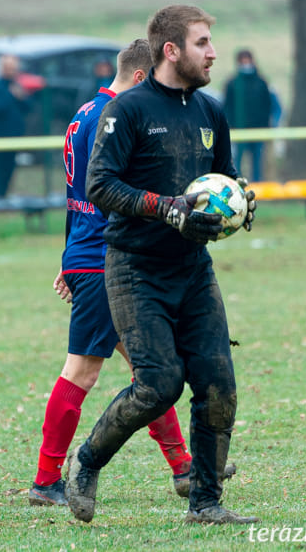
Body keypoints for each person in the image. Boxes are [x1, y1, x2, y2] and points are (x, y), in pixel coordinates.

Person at [65, 5, 258, 525]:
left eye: (211, 41)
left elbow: (225, 176)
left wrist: (240, 197)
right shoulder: (126, 110)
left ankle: (206, 503)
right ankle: (86, 463)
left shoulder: (211, 112)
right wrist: (164, 206)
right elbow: (99, 186)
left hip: (193, 269)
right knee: (159, 384)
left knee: (218, 385)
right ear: (170, 51)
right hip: (134, 267)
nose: (213, 51)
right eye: (202, 43)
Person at [29, 39, 203, 507]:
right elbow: (113, 195)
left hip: (90, 255)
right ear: (144, 78)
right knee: (82, 371)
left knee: (150, 370)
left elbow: (76, 195)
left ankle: (184, 467)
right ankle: (47, 481)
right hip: (107, 259)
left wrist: (68, 258)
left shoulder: (83, 112)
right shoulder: (118, 120)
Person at [222, 49, 272, 182]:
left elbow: (267, 105)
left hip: (258, 130)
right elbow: (227, 107)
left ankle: (258, 185)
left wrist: (266, 125)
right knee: (237, 162)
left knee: (257, 162)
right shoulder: (232, 83)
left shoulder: (261, 82)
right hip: (239, 130)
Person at [0, 54, 31, 198]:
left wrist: (21, 95)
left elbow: (28, 107)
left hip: (14, 136)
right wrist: (12, 95)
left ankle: (3, 195)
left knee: (9, 168)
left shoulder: (16, 86)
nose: (11, 71)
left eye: (13, 68)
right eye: (8, 68)